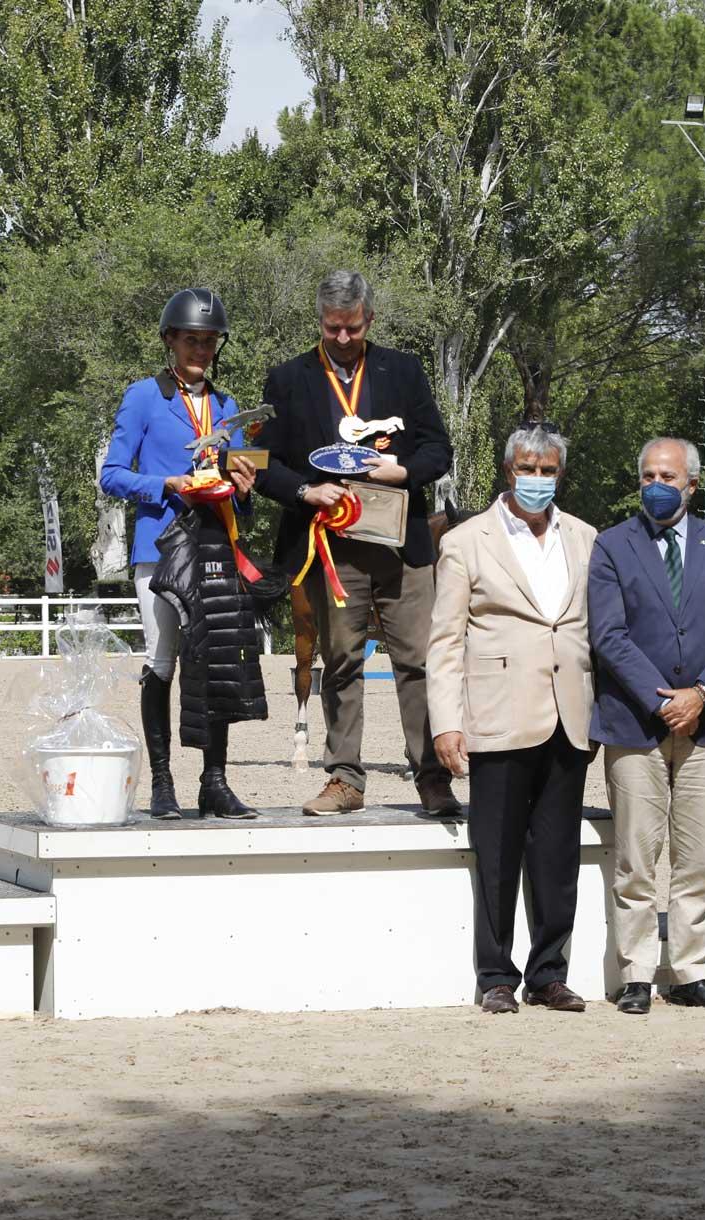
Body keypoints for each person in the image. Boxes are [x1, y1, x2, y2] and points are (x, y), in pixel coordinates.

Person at [257, 270, 461, 818]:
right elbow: (263, 466)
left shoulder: (404, 370)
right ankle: (344, 779)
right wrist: (307, 490)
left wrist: (402, 472)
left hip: (401, 546)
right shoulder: (288, 379)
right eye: (331, 329)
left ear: (369, 319)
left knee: (417, 662)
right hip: (331, 545)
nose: (342, 339)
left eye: (351, 328)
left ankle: (432, 777)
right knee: (341, 659)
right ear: (319, 322)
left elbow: (439, 450)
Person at [429, 425, 598, 1015]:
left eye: (549, 469)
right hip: (497, 714)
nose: (538, 479)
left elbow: (591, 632)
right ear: (508, 471)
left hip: (568, 718)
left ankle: (549, 971)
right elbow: (445, 641)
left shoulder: (584, 537)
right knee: (496, 852)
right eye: (528, 468)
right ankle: (495, 974)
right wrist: (446, 723)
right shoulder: (466, 541)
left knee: (557, 854)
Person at [588, 437, 705, 1014]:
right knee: (637, 858)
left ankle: (688, 972)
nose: (656, 484)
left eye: (669, 475)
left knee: (694, 859)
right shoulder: (612, 545)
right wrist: (664, 701)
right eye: (647, 475)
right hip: (635, 723)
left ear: (693, 484)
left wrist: (702, 693)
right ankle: (635, 972)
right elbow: (608, 635)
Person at [98, 287, 264, 819]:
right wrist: (165, 483)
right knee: (163, 660)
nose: (201, 350)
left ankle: (214, 780)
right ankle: (163, 782)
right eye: (191, 340)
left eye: (209, 341)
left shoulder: (228, 406)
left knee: (217, 660)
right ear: (170, 340)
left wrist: (243, 484)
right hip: (162, 547)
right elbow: (112, 475)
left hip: (215, 544)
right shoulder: (144, 397)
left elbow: (235, 475)